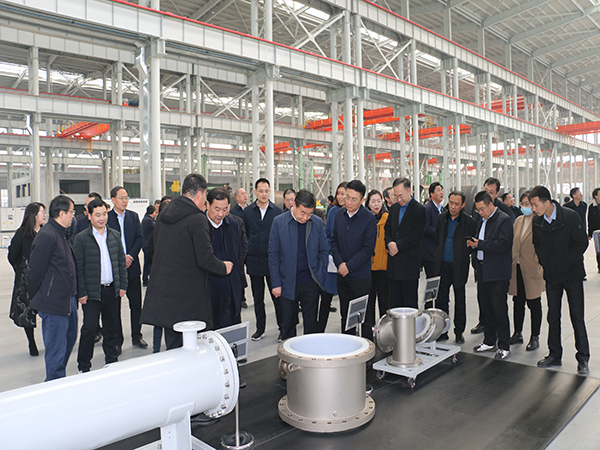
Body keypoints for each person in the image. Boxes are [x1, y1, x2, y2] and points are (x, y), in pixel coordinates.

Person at [140, 173, 233, 350]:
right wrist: (224, 267)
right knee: (193, 347)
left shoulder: (163, 216)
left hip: (166, 297)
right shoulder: (197, 219)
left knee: (174, 346)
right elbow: (206, 259)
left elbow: (151, 252)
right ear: (199, 194)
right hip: (189, 299)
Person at [529, 185, 590, 374]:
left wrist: (566, 261)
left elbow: (582, 242)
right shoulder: (537, 221)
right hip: (552, 276)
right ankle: (554, 354)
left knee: (577, 316)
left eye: (535, 205)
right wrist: (546, 263)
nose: (533, 209)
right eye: (532, 205)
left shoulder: (570, 217)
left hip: (572, 275)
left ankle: (583, 358)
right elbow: (537, 245)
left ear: (547, 202)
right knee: (553, 316)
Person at [73, 199, 128, 373]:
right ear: (89, 216)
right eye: (97, 215)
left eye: (104, 214)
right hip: (91, 294)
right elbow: (78, 268)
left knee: (112, 328)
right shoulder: (81, 239)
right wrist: (81, 292)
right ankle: (84, 366)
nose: (102, 218)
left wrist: (122, 284)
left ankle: (111, 361)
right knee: (89, 329)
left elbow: (121, 262)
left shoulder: (114, 235)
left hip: (112, 290)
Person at [28, 195, 78, 381]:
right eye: (71, 212)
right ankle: (54, 383)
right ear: (61, 213)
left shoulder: (62, 234)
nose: (73, 216)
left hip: (68, 299)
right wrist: (36, 297)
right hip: (54, 303)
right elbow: (35, 271)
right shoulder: (47, 235)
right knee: (56, 348)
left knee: (69, 339)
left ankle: (56, 377)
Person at [269, 189, 328, 339]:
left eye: (309, 214)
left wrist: (321, 275)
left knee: (311, 325)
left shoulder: (316, 223)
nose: (305, 217)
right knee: (288, 324)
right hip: (287, 282)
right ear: (294, 205)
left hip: (310, 282)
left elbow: (323, 250)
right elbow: (273, 254)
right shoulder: (279, 222)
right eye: (303, 213)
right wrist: (276, 283)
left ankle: (310, 353)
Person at [468, 190, 513, 360]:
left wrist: (480, 244)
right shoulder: (481, 220)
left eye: (482, 209)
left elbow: (503, 244)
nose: (480, 212)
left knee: (499, 309)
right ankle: (489, 341)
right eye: (478, 209)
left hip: (497, 273)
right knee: (485, 308)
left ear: (491, 204)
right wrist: (474, 246)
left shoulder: (504, 220)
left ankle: (504, 345)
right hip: (482, 271)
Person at [331, 180, 377, 334]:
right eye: (347, 197)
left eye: (354, 199)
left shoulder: (368, 218)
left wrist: (349, 266)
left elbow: (368, 249)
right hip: (342, 275)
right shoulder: (339, 215)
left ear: (362, 200)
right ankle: (348, 345)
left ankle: (367, 346)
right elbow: (334, 241)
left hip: (360, 276)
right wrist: (340, 264)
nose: (349, 202)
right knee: (346, 315)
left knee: (364, 316)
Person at [432, 191, 475, 344]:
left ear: (463, 205)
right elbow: (437, 238)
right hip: (442, 265)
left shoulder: (469, 222)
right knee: (441, 300)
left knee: (460, 300)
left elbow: (471, 245)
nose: (453, 206)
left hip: (459, 266)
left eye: (457, 204)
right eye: (451, 203)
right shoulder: (441, 218)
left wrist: (461, 254)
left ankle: (459, 332)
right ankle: (442, 331)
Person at [244, 178, 284, 341]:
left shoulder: (277, 212)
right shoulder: (248, 212)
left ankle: (283, 328)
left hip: (272, 261)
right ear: (255, 192)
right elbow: (245, 234)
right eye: (260, 191)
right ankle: (260, 329)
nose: (264, 194)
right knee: (258, 298)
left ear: (270, 192)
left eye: (266, 191)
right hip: (254, 261)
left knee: (277, 297)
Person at [107, 186, 147, 350]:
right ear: (113, 200)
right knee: (114, 308)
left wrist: (130, 256)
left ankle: (137, 336)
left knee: (136, 305)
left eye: (126, 197)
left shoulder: (133, 216)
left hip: (132, 268)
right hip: (115, 270)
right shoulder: (107, 218)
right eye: (121, 198)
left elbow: (139, 238)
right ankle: (117, 340)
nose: (125, 201)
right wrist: (120, 258)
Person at [206, 188, 247, 329]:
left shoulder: (234, 224)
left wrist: (235, 268)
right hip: (208, 289)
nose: (221, 214)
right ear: (207, 205)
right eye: (217, 209)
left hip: (230, 288)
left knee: (230, 328)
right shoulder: (199, 226)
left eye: (225, 209)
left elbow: (242, 249)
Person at [8, 202, 46, 356]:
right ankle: (31, 341)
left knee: (47, 310)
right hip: (26, 280)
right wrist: (22, 270)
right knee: (27, 312)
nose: (44, 215)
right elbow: (12, 256)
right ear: (34, 215)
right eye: (42, 212)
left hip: (45, 278)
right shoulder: (22, 234)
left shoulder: (45, 232)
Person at [508, 191, 543, 352]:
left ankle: (535, 337)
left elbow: (542, 245)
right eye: (522, 204)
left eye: (527, 204)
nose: (525, 207)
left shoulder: (539, 221)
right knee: (518, 301)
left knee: (534, 303)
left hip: (532, 267)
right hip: (517, 267)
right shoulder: (519, 220)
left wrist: (537, 260)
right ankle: (517, 333)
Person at [385, 177, 426, 309]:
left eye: (401, 195)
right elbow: (388, 229)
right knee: (394, 305)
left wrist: (398, 245)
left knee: (409, 305)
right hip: (393, 266)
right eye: (396, 196)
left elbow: (416, 235)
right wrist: (389, 243)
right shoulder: (394, 208)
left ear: (409, 191)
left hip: (409, 267)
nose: (399, 199)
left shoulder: (419, 210)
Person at [317, 182, 347, 332]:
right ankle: (319, 331)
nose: (340, 197)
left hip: (346, 264)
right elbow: (327, 234)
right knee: (325, 299)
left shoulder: (354, 213)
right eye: (338, 193)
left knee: (345, 302)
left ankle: (346, 333)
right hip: (331, 262)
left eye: (343, 194)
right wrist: (331, 253)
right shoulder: (333, 211)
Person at [364, 189, 390, 340]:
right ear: (368, 203)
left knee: (385, 302)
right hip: (367, 269)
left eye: (379, 201)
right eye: (373, 201)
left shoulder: (388, 218)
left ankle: (385, 333)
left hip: (384, 267)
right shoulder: (365, 219)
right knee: (369, 303)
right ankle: (370, 333)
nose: (376, 204)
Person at [421, 182, 443, 278]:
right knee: (433, 279)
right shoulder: (427, 208)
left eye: (442, 190)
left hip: (439, 252)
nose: (441, 192)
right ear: (432, 194)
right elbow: (425, 227)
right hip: (429, 252)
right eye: (438, 190)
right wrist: (440, 232)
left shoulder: (442, 209)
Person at [141, 205, 157, 287]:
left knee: (147, 263)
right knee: (148, 263)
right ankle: (146, 280)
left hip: (145, 244)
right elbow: (156, 228)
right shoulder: (149, 221)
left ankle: (145, 279)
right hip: (147, 245)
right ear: (153, 213)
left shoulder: (145, 218)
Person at [587, 187, 600, 272]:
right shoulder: (592, 207)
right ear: (596, 196)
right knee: (599, 251)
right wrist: (590, 233)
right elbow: (590, 220)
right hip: (596, 232)